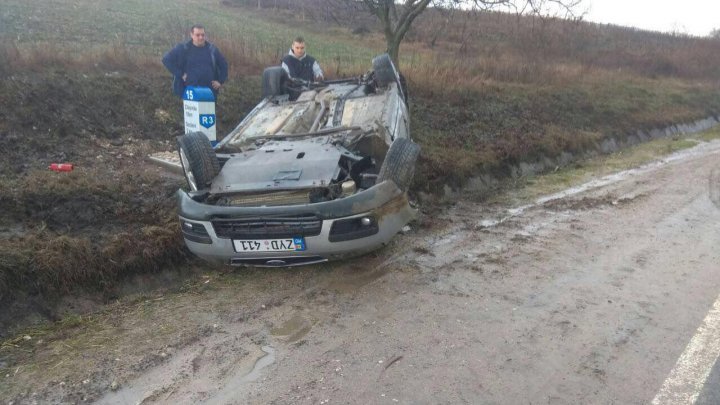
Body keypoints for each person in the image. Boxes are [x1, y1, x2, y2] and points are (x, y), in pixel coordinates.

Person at [162, 24, 228, 98]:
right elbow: (166, 60)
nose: (201, 37)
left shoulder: (212, 49)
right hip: (188, 93)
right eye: (198, 35)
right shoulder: (183, 48)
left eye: (203, 35)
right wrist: (180, 74)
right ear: (192, 35)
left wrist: (220, 81)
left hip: (209, 93)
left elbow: (224, 65)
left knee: (208, 110)